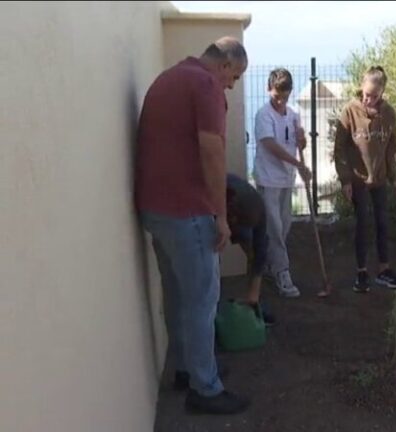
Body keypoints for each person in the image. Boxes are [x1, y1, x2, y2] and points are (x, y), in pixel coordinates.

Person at [135, 37, 250, 414]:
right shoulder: (205, 85)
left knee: (177, 294)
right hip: (188, 213)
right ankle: (206, 388)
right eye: (233, 77)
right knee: (203, 299)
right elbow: (212, 150)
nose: (231, 85)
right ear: (223, 64)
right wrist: (220, 215)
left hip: (156, 209)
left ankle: (188, 367)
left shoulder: (168, 78)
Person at [333, 66, 396, 293]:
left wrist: (394, 177)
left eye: (374, 96)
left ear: (382, 92)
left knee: (383, 222)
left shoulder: (389, 114)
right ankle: (361, 272)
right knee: (362, 223)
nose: (368, 100)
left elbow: (391, 149)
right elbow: (340, 149)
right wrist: (345, 179)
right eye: (366, 95)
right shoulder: (350, 112)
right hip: (358, 180)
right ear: (361, 88)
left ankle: (384, 269)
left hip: (380, 179)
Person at [252, 68, 311, 298]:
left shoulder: (293, 114)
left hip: (287, 179)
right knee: (274, 227)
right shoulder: (263, 115)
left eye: (285, 97)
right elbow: (270, 145)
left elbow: (299, 143)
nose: (281, 101)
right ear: (269, 90)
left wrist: (302, 139)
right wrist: (298, 163)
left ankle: (267, 262)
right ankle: (283, 273)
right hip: (268, 179)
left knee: (284, 224)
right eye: (277, 96)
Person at [226, 173, 275, 326]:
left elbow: (259, 252)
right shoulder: (221, 199)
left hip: (241, 205)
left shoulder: (260, 209)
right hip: (215, 201)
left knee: (257, 255)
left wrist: (253, 299)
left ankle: (254, 300)